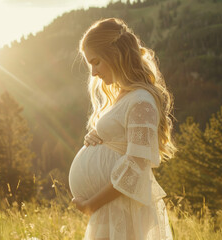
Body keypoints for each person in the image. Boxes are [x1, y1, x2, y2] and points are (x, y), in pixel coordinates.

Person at [68, 18, 176, 240]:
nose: (94, 73)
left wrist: (91, 204)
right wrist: (99, 137)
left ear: (114, 54)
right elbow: (122, 141)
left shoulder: (142, 101)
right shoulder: (125, 97)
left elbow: (136, 166)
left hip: (124, 210)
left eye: (96, 62)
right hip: (112, 209)